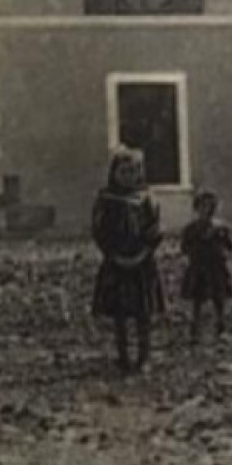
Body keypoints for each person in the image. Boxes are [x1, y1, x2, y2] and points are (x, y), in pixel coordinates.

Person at [91, 146, 166, 373]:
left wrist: (144, 253)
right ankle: (123, 357)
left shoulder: (146, 198)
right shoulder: (106, 199)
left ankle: (144, 357)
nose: (128, 176)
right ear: (114, 173)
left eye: (133, 171)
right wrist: (114, 255)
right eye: (123, 171)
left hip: (142, 263)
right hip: (116, 263)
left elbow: (155, 229)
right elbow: (99, 230)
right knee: (120, 314)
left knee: (143, 313)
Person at [179, 189, 232, 344]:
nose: (207, 210)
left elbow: (231, 246)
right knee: (197, 298)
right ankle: (195, 330)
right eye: (203, 206)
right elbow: (184, 247)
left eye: (211, 207)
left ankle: (221, 327)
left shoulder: (222, 228)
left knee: (219, 297)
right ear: (197, 208)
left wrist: (222, 246)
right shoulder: (191, 229)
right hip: (199, 266)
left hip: (217, 266)